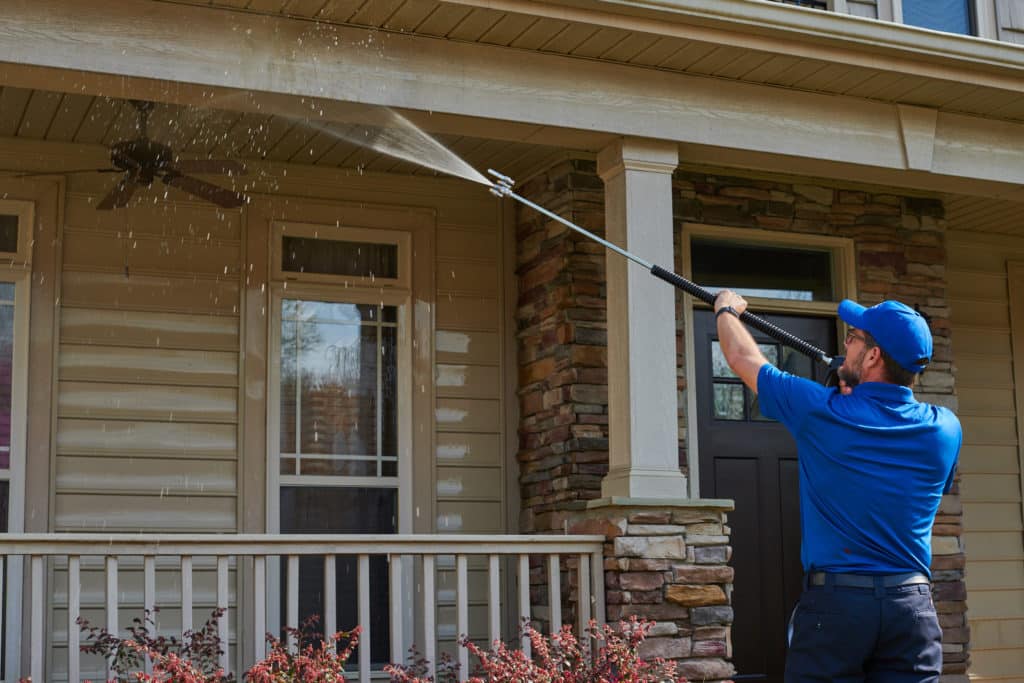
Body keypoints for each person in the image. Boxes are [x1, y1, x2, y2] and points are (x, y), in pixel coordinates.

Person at [713, 290, 961, 683]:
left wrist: (726, 309)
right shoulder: (944, 428)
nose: (846, 342)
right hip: (911, 609)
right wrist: (851, 380)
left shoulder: (821, 410)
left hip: (837, 609)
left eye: (854, 337)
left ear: (875, 356)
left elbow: (742, 358)